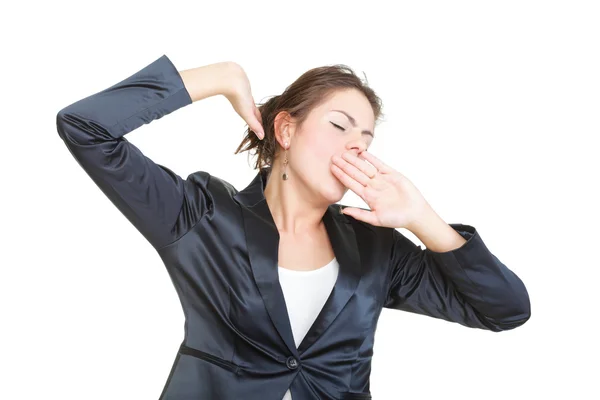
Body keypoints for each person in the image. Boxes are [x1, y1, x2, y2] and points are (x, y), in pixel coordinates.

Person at [56, 54, 531, 400]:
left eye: (366, 140)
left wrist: (422, 218)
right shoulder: (202, 215)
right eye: (339, 126)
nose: (355, 149)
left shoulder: (375, 246)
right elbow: (84, 126)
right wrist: (221, 78)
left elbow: (505, 310)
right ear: (285, 130)